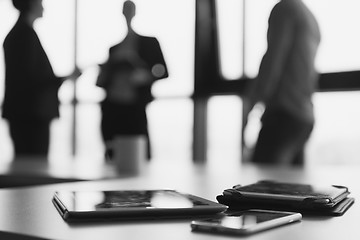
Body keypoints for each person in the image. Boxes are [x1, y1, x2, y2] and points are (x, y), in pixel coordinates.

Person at [242, 0, 321, 165]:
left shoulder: (284, 9)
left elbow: (273, 60)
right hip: (303, 115)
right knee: (292, 187)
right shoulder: (309, 17)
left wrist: (252, 101)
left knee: (262, 185)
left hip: (284, 112)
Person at [2, 0, 81, 158]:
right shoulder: (24, 35)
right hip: (31, 116)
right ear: (32, 4)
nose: (43, 6)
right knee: (32, 167)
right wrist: (67, 78)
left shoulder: (20, 34)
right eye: (40, 2)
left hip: (26, 114)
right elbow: (31, 81)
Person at [96, 0, 168, 160]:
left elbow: (162, 71)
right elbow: (104, 79)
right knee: (113, 155)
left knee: (139, 154)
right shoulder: (114, 48)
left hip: (134, 107)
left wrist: (145, 75)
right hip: (113, 107)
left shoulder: (149, 42)